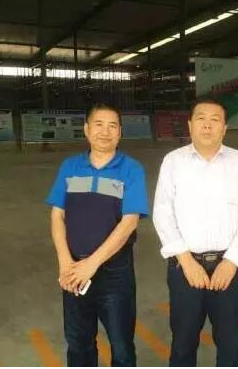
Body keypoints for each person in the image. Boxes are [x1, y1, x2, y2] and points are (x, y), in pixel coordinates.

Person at [153, 98, 238, 367]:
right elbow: (163, 213)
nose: (207, 125)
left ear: (224, 128)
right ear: (190, 125)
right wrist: (186, 261)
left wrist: (232, 261)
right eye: (201, 118)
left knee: (230, 344)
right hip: (185, 269)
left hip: (229, 270)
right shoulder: (173, 161)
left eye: (215, 120)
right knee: (183, 343)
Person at [45, 103, 149, 367]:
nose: (105, 131)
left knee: (121, 346)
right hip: (74, 268)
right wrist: (65, 262)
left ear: (120, 133)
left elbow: (129, 223)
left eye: (112, 126)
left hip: (115, 273)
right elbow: (57, 216)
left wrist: (91, 264)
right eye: (99, 125)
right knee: (78, 344)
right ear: (86, 129)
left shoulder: (131, 169)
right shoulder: (70, 167)